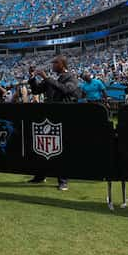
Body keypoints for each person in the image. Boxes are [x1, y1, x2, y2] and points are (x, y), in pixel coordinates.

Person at [26, 55, 81, 190]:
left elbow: (66, 90)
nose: (52, 65)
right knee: (43, 147)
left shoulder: (71, 78)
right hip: (48, 118)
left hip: (63, 117)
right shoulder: (52, 79)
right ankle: (40, 175)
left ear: (62, 64)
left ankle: (63, 180)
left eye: (55, 63)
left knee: (61, 149)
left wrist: (46, 78)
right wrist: (32, 77)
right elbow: (36, 90)